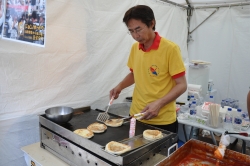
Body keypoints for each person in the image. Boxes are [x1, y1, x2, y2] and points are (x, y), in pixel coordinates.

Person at [110, 5, 187, 133]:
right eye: (131, 31)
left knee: (162, 154)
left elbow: (182, 85)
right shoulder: (136, 48)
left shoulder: (170, 49)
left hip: (162, 120)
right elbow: (135, 74)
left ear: (152, 23)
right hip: (137, 115)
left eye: (138, 29)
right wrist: (120, 86)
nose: (135, 35)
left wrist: (159, 103)